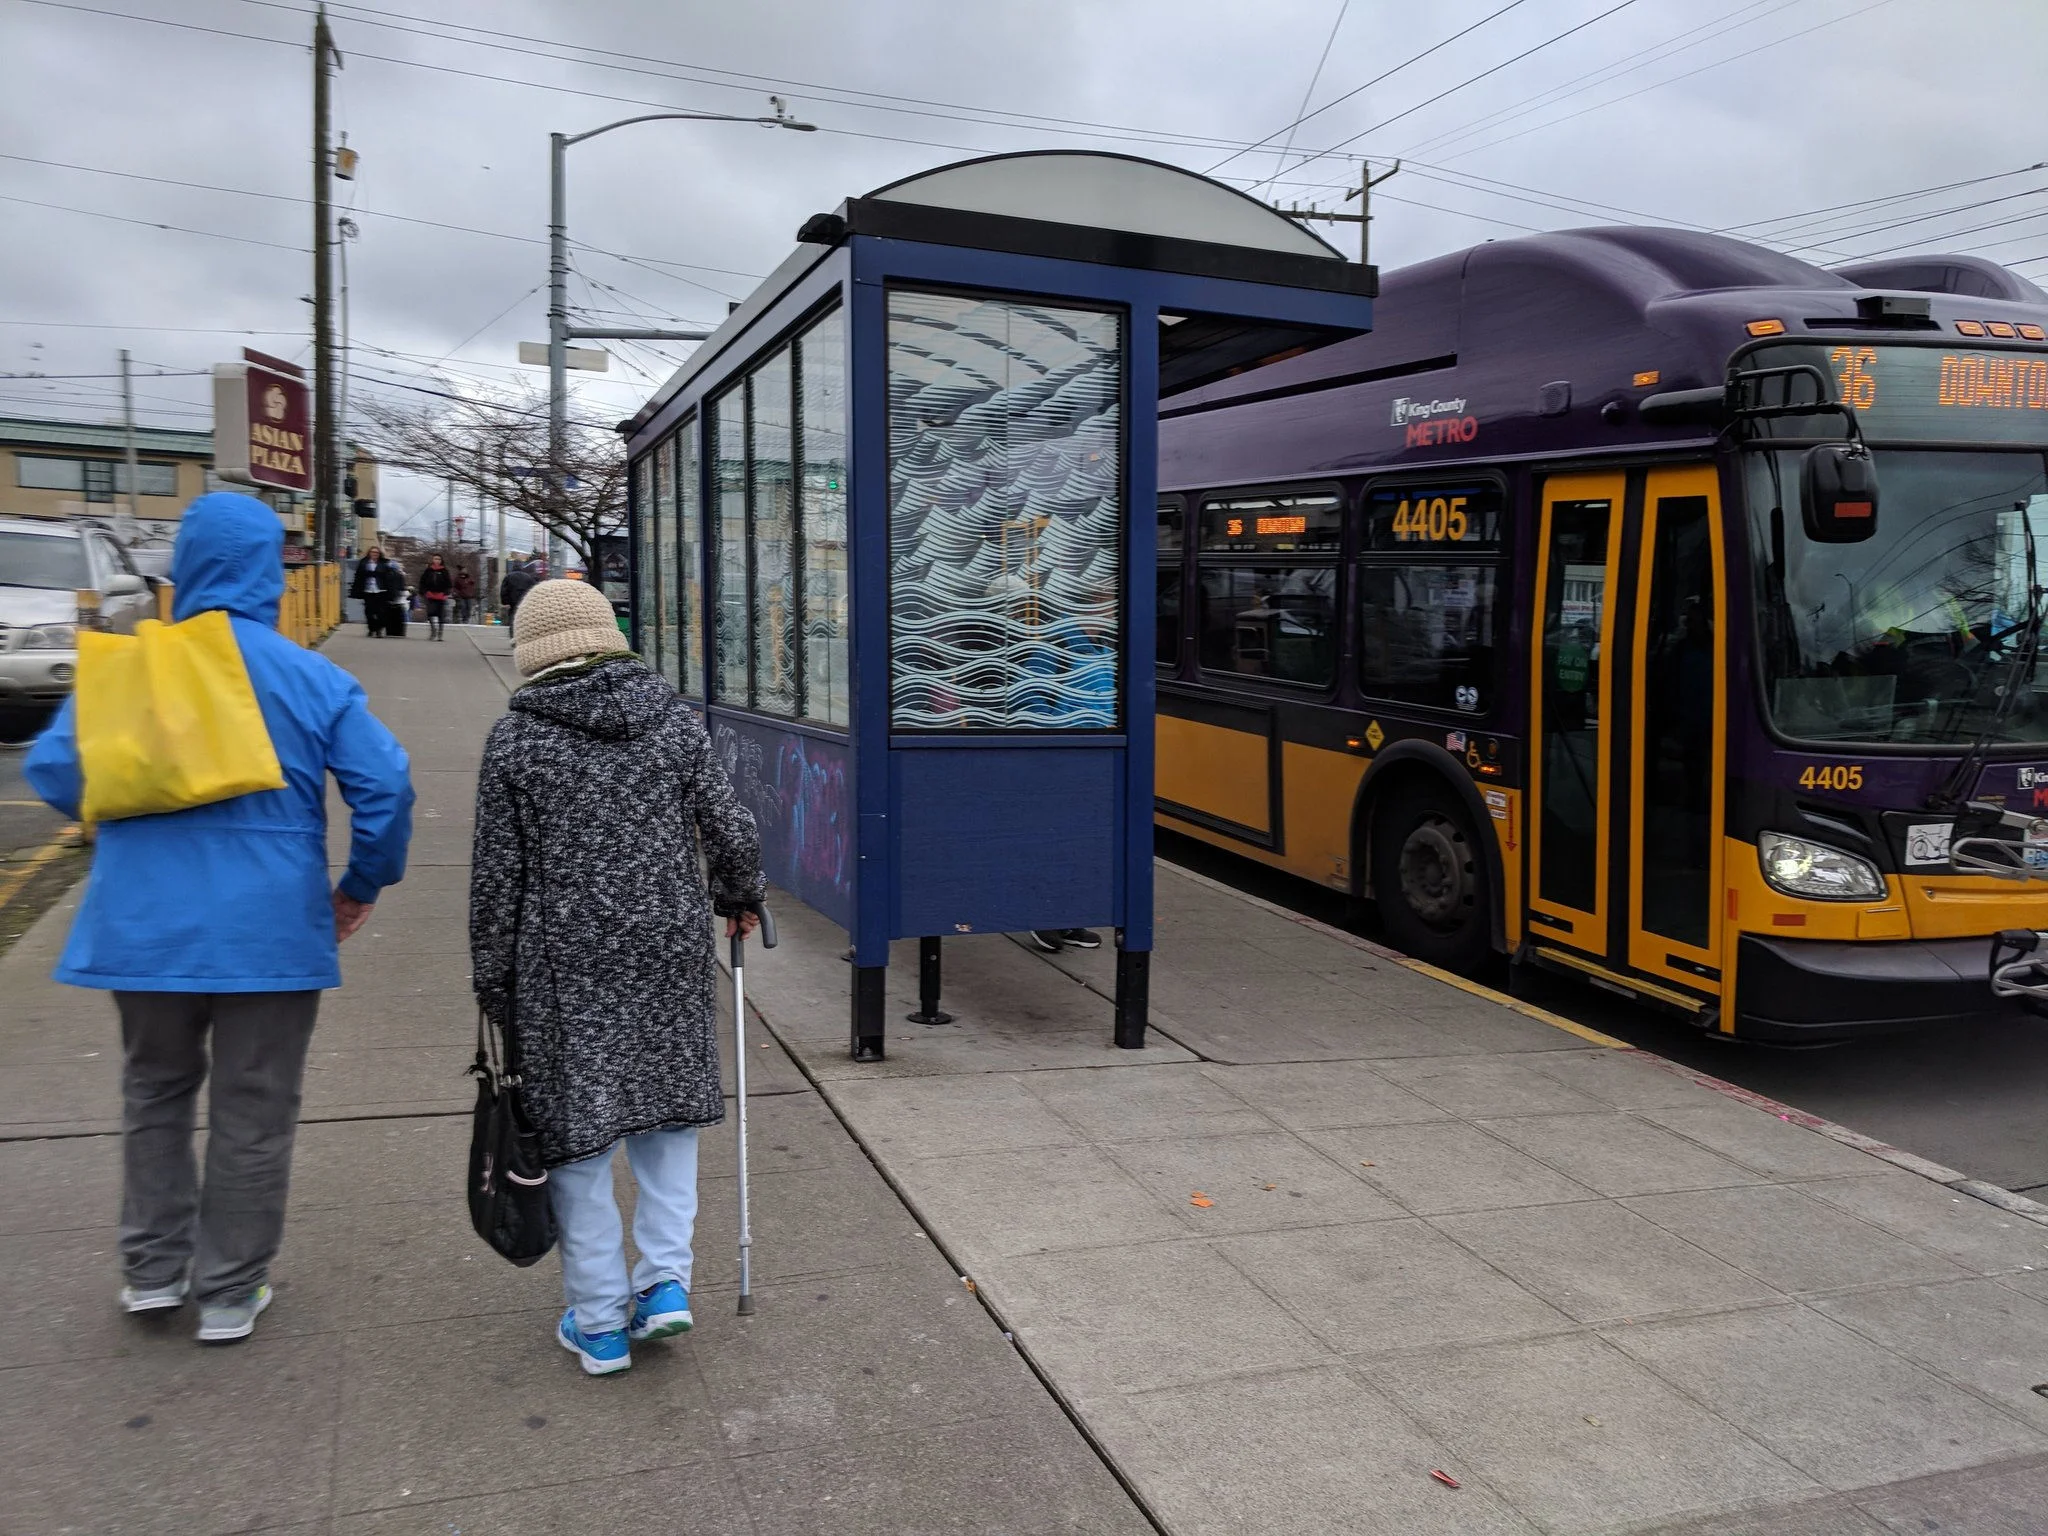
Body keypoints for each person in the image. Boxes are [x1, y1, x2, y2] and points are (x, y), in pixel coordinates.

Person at [23, 492, 414, 1344]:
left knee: (153, 1093)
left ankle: (152, 1275)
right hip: (268, 929)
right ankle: (232, 1291)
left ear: (185, 571)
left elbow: (55, 772)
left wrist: (135, 803)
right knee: (255, 1105)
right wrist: (361, 883)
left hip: (140, 926)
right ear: (271, 576)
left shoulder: (134, 666)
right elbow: (385, 787)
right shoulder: (309, 676)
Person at [469, 579, 764, 1377]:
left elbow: (498, 880)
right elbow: (729, 825)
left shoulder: (517, 742)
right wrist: (738, 895)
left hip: (561, 966)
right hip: (664, 949)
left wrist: (493, 985)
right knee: (667, 1122)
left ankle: (599, 1323)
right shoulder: (672, 722)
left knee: (577, 1144)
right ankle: (665, 1284)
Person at [350, 546, 406, 637]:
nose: (374, 554)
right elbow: (358, 576)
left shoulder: (385, 563)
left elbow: (392, 576)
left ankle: (379, 630)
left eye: (376, 553)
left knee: (381, 612)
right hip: (368, 590)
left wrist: (393, 589)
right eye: (373, 552)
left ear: (379, 554)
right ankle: (372, 628)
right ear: (369, 553)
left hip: (381, 590)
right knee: (369, 611)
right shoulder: (364, 563)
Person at [419, 553, 454, 641]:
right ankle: (433, 630)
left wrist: (446, 593)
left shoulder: (444, 571)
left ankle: (440, 633)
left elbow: (449, 584)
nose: (437, 561)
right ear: (432, 560)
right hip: (430, 595)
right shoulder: (428, 570)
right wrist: (425, 592)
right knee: (430, 613)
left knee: (441, 615)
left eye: (439, 559)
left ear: (441, 561)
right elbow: (422, 582)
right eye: (435, 559)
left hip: (441, 595)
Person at [499, 561, 539, 627]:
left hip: (513, 602)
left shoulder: (508, 577)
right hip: (524, 602)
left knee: (512, 619)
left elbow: (504, 591)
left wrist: (505, 601)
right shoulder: (528, 577)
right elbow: (533, 589)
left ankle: (513, 634)